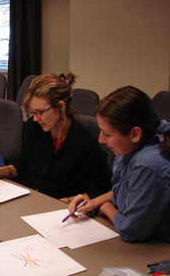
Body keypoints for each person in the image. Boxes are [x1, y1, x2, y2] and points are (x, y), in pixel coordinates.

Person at [0, 72, 112, 202]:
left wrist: (71, 200)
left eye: (41, 112)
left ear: (60, 107)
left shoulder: (85, 142)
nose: (36, 118)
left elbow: (102, 189)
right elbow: (22, 167)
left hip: (60, 208)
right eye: (33, 112)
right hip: (30, 199)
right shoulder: (33, 127)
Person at [69, 86, 170, 243]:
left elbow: (131, 231)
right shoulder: (128, 149)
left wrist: (106, 207)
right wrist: (94, 202)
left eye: (107, 134)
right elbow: (123, 191)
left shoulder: (146, 164)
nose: (100, 140)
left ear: (134, 134)